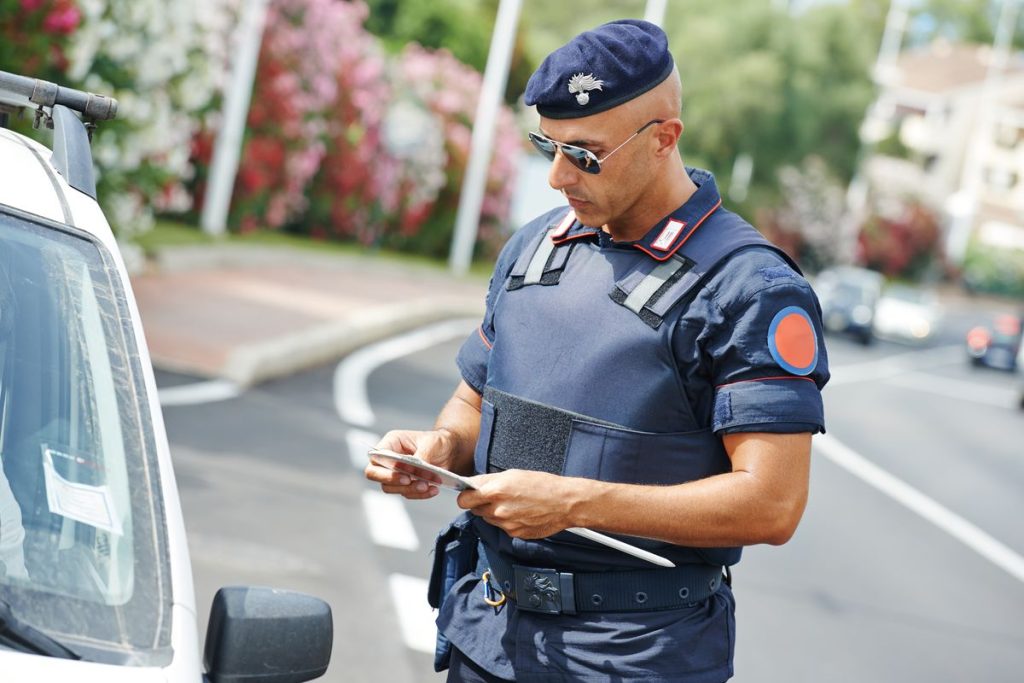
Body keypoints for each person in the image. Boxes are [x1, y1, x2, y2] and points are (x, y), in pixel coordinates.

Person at [365, 18, 829, 683]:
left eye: (583, 154)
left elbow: (773, 503)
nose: (556, 176)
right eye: (546, 146)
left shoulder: (747, 286)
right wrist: (440, 449)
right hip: (487, 632)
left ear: (664, 139)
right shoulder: (533, 248)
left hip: (635, 657)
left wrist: (572, 504)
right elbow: (474, 400)